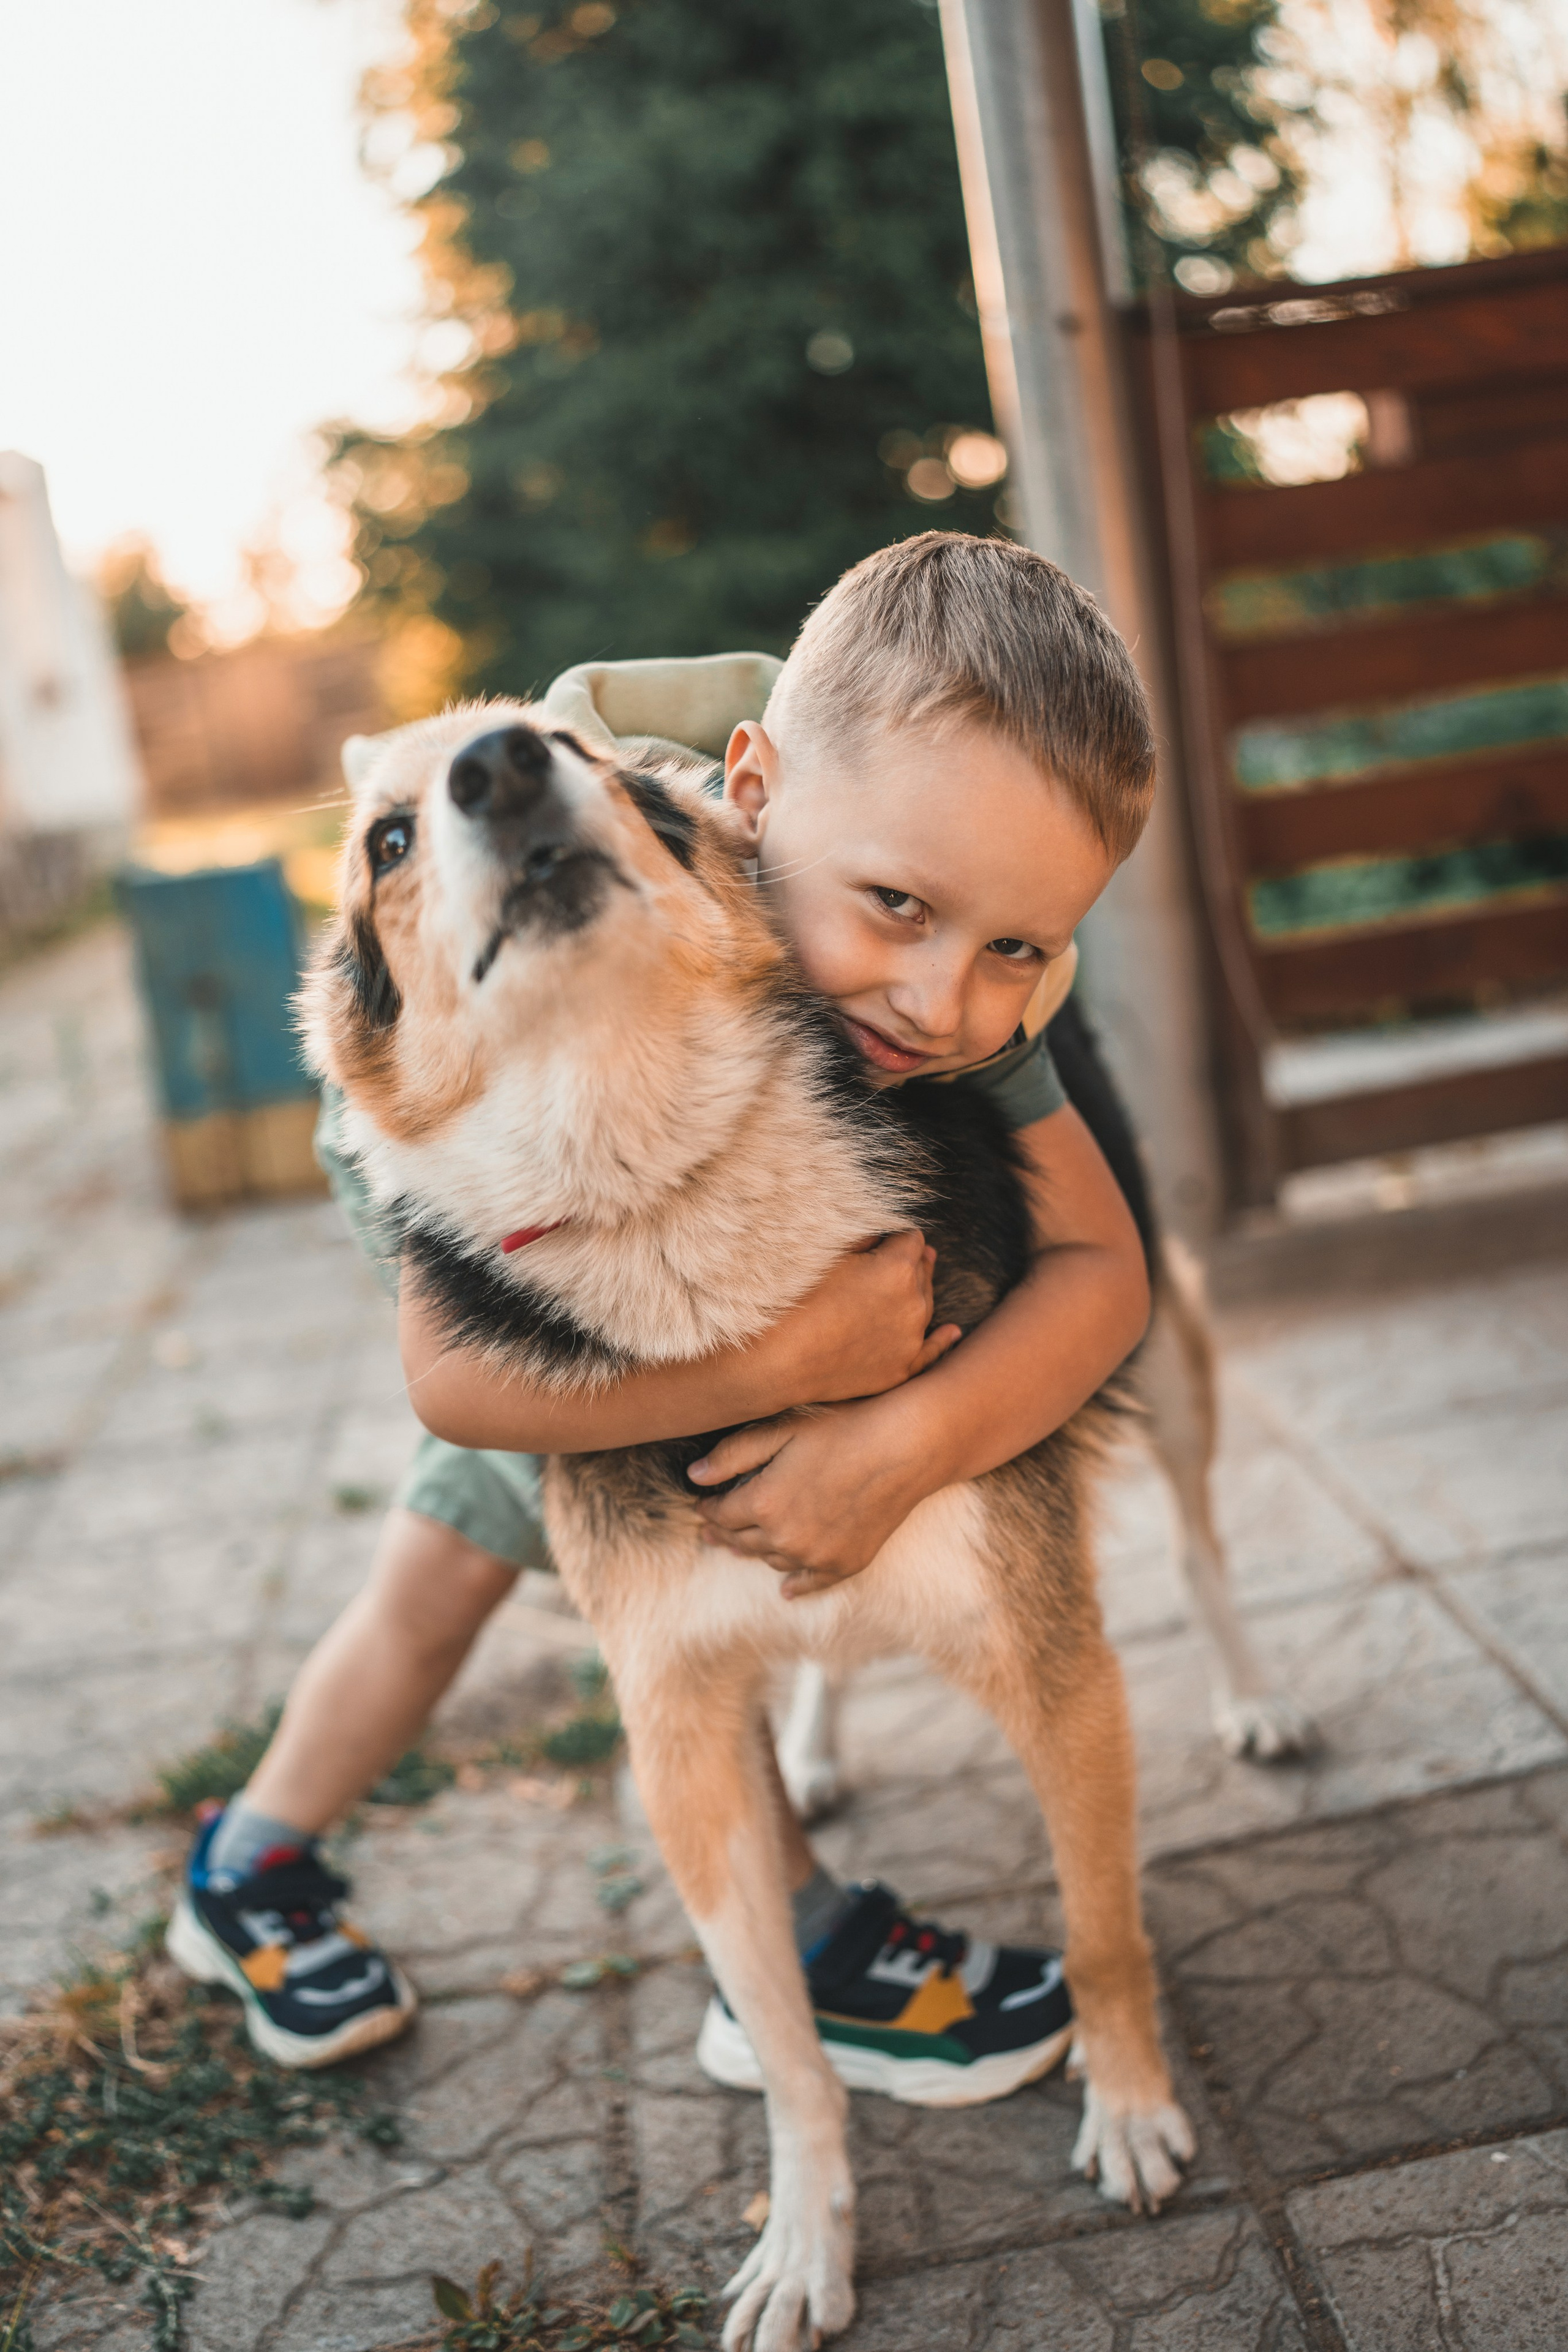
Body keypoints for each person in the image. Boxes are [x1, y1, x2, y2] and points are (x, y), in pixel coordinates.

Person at [172, 533, 1156, 2106]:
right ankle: (779, 1937)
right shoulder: (688, 841)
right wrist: (790, 1367)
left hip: (701, 1167)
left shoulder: (962, 929)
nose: (938, 1003)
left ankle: (256, 1849)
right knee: (537, 1562)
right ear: (751, 806)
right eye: (896, 911)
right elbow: (454, 1381)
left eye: (1012, 956)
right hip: (491, 1152)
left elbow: (1104, 1269)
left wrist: (900, 1438)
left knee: (474, 1566)